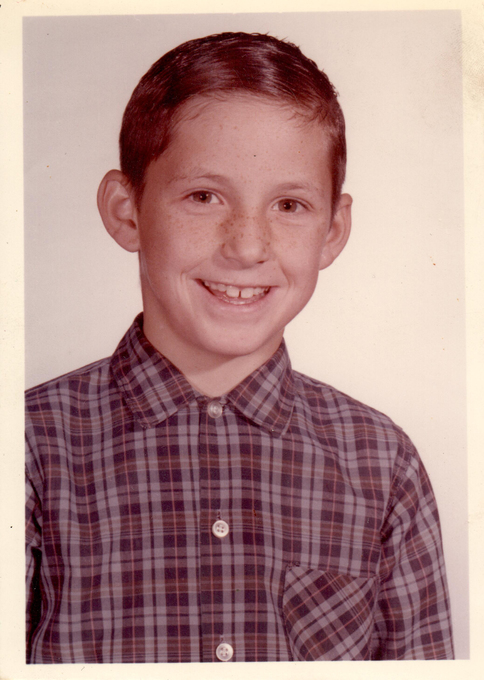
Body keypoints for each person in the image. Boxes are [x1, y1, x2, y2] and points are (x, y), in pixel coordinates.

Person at [25, 31, 454, 663]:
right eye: (204, 197)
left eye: (289, 204)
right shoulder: (30, 448)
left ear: (333, 230)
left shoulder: (384, 467)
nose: (248, 246)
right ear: (126, 210)